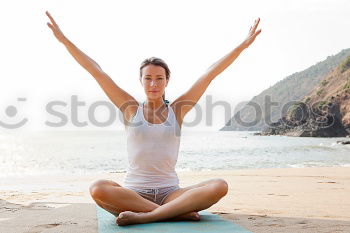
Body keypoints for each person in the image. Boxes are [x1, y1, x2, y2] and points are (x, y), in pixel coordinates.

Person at [45, 10, 262, 226]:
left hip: (171, 193)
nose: (153, 84)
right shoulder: (130, 108)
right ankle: (174, 213)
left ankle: (150, 215)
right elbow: (96, 71)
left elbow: (209, 74)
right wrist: (64, 40)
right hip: (133, 193)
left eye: (159, 78)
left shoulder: (177, 110)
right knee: (98, 188)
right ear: (140, 81)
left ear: (167, 81)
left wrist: (242, 46)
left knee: (219, 185)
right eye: (148, 78)